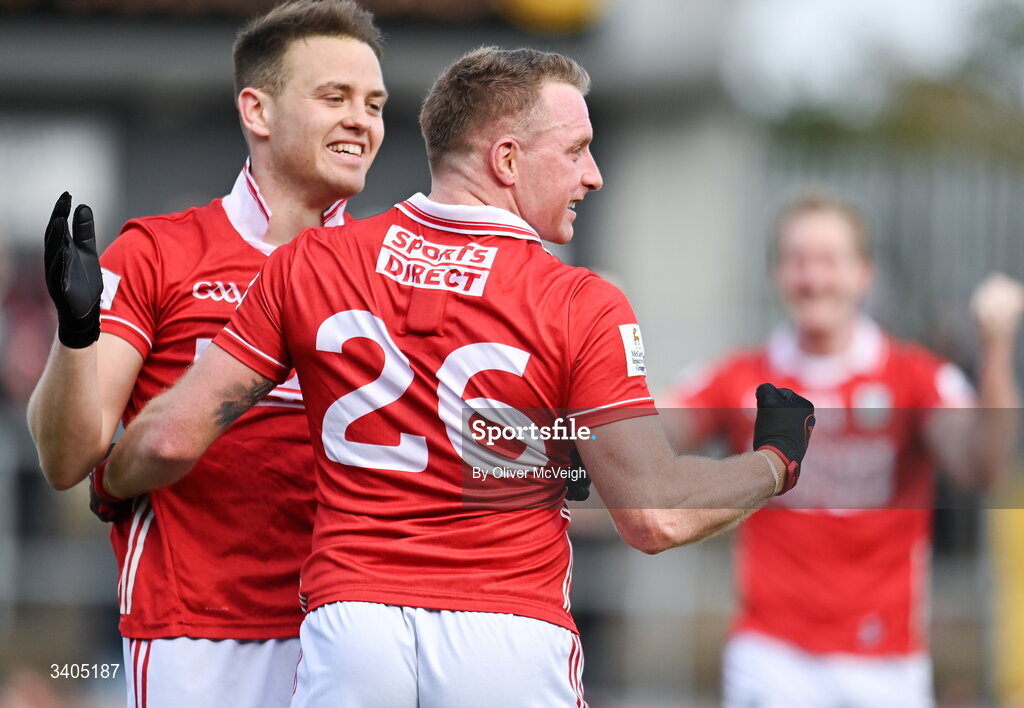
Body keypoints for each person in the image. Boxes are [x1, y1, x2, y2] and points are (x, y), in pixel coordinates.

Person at [100, 46, 815, 707]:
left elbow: (168, 438)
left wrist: (107, 479)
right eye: (576, 151)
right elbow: (655, 515)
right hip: (505, 630)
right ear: (506, 159)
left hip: (353, 629)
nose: (593, 174)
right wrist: (773, 462)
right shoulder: (578, 300)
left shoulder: (312, 261)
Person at [26, 2, 386, 706]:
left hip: (357, 631)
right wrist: (75, 335)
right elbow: (67, 459)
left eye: (374, 103)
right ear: (258, 110)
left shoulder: (393, 269)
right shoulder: (159, 252)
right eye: (334, 97)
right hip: (197, 635)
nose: (362, 122)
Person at [661, 193, 1024, 708]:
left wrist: (996, 348)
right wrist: (603, 359)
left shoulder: (914, 379)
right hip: (771, 657)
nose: (813, 278)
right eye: (797, 260)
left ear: (864, 274)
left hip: (887, 664)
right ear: (776, 275)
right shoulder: (741, 376)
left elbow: (983, 466)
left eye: (829, 260)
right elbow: (645, 437)